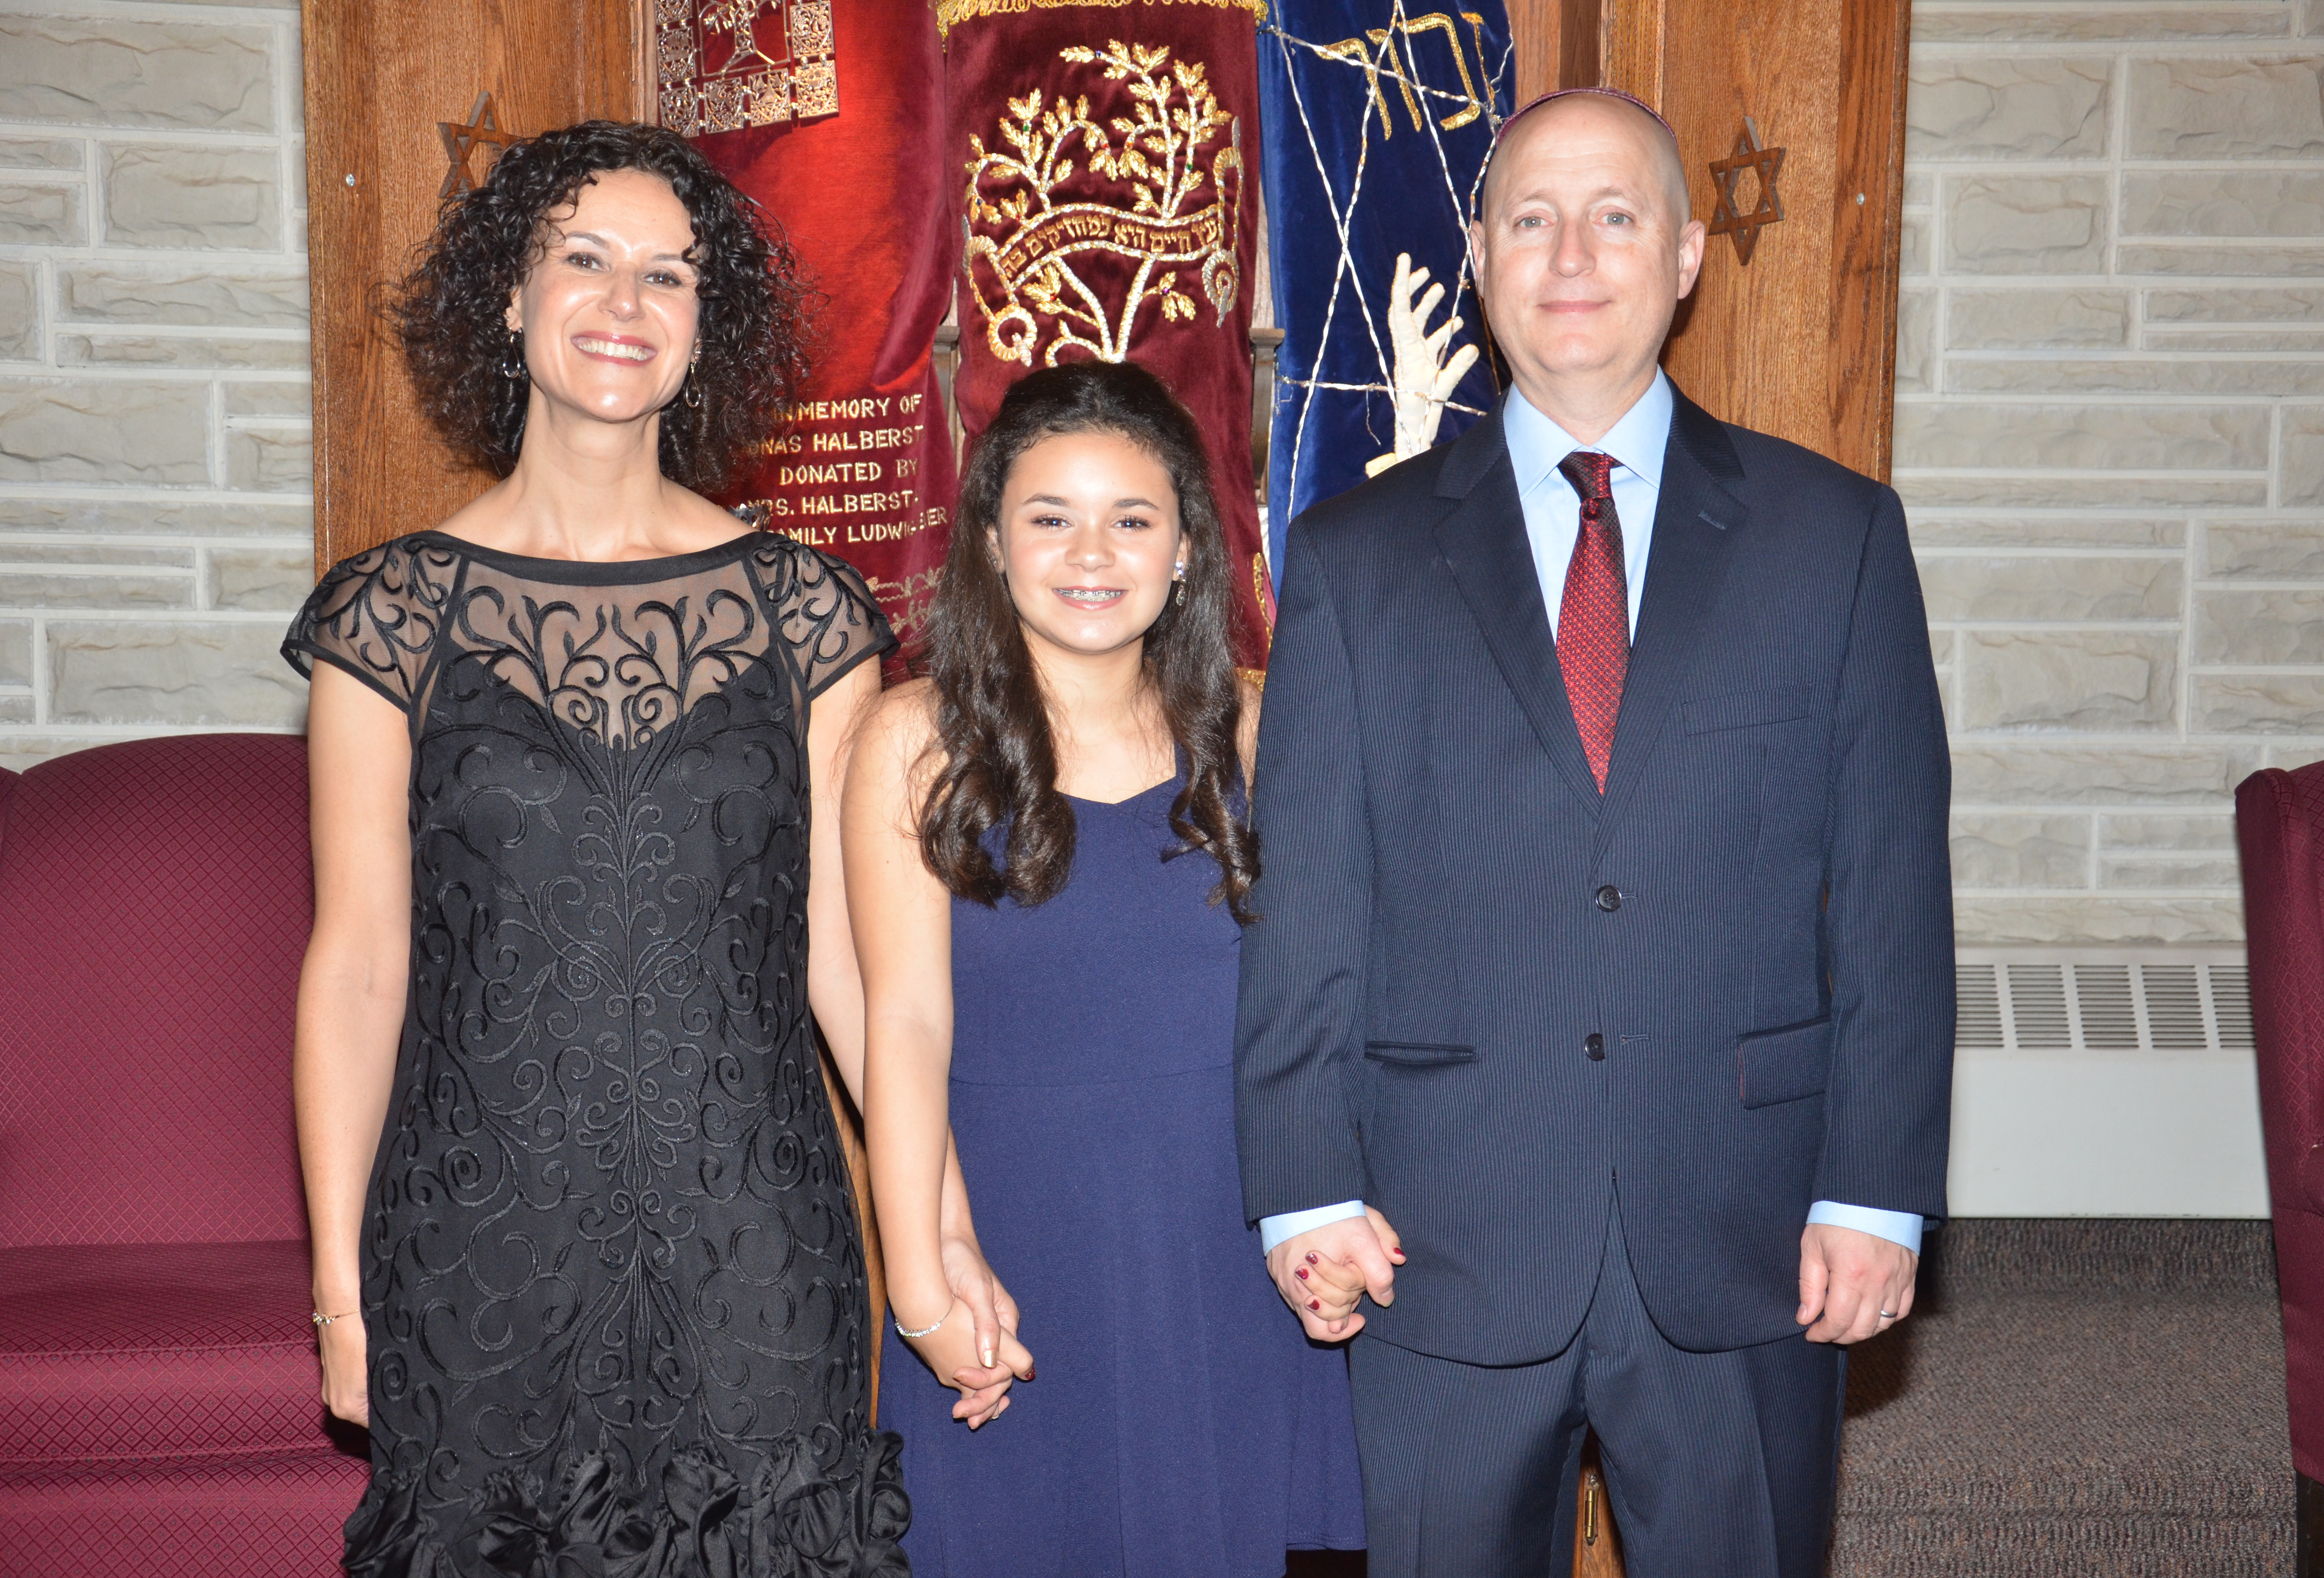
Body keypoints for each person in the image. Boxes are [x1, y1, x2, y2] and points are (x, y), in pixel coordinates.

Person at [1234, 87, 1956, 1578]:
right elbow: (1310, 905)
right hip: (1440, 1229)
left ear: (1686, 255)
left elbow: (1893, 897)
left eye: (1616, 216)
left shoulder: (1836, 539)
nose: (1571, 255)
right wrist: (1304, 1182)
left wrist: (1876, 1189)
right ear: (1482, 256)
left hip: (1747, 1228)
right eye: (1532, 219)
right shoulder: (1353, 561)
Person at [284, 121, 913, 1574]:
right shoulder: (389, 619)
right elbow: (359, 967)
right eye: (585, 260)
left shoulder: (810, 615)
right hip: (476, 1244)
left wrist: (939, 1225)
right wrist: (340, 1292)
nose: (627, 302)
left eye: (669, 275)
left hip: (756, 1241)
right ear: (510, 298)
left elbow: (851, 973)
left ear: (704, 328)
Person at [847, 361, 1367, 1578]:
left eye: (1132, 519)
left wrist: (1329, 1209)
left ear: (1187, 550)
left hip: (1227, 1243)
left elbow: (1332, 999)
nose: (1092, 553)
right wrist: (921, 1284)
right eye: (1051, 518)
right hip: (1018, 1242)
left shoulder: (1258, 728)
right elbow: (903, 1024)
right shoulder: (914, 739)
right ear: (991, 544)